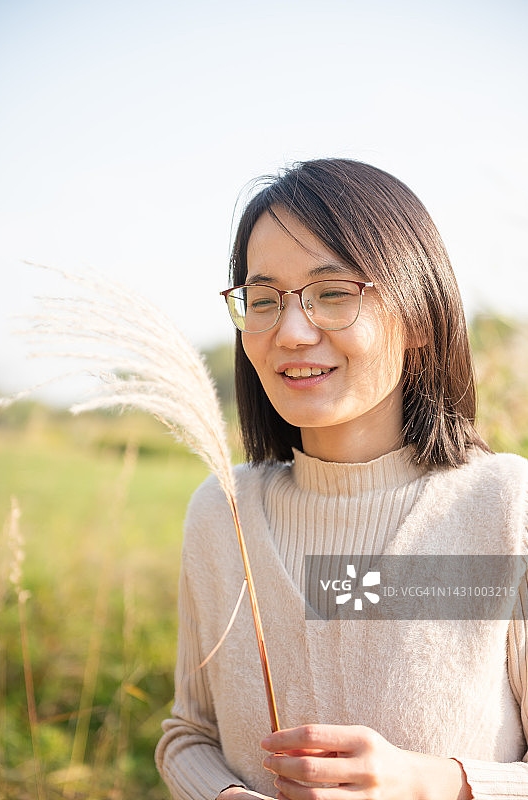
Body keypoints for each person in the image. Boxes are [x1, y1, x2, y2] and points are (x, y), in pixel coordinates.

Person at [155, 159, 528, 800]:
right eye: (265, 300)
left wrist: (431, 782)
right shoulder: (224, 511)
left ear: (416, 315)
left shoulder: (503, 506)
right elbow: (190, 734)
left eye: (333, 293)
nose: (292, 332)